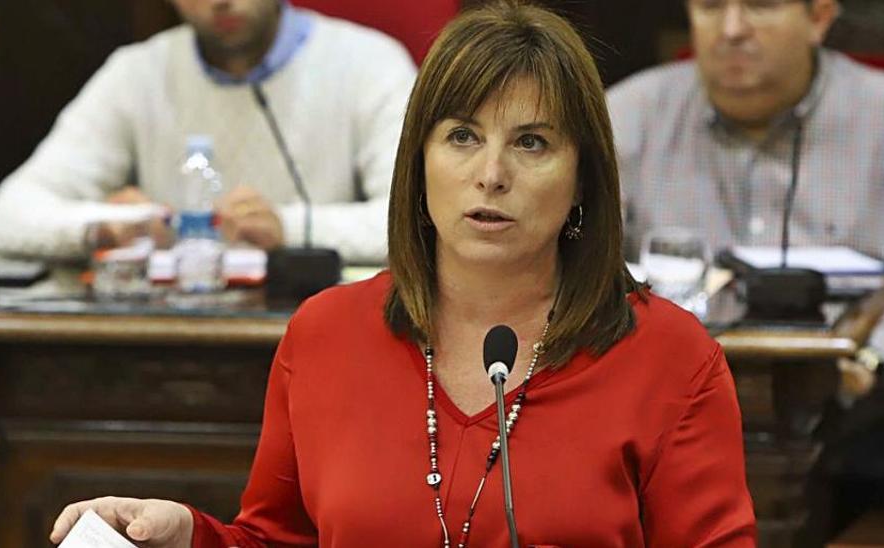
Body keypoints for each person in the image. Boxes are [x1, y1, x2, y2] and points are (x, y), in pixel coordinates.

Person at [47, 3, 757, 547]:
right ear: (418, 164)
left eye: (532, 142)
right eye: (462, 137)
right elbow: (276, 540)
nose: (491, 175)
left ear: (583, 180)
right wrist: (190, 535)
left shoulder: (671, 359)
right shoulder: (323, 335)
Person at [605, 0, 884, 540]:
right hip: (660, 425)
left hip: (855, 425)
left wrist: (874, 355)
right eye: (710, 7)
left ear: (818, 17)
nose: (732, 29)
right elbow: (576, 269)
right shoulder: (625, 118)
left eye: (760, 7)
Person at [0, 0, 416, 266]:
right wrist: (104, 227)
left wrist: (286, 226)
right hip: (174, 335)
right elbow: (7, 216)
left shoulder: (369, 64)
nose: (220, 1)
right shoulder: (137, 72)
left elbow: (418, 223)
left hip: (321, 331)